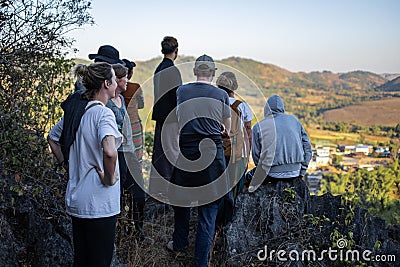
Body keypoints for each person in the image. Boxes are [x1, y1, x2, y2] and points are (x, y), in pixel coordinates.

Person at [48, 62, 122, 266]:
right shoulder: (104, 113)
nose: (117, 83)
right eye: (115, 79)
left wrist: (67, 164)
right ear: (106, 83)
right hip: (100, 204)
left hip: (77, 200)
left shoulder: (77, 112)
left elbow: (53, 138)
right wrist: (109, 178)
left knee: (81, 260)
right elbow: (109, 150)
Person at [167, 55, 231, 267]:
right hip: (212, 156)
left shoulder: (182, 91)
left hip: (186, 151)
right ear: (213, 73)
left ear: (195, 71)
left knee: (182, 203)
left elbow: (179, 118)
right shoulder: (221, 94)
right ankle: (201, 262)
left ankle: (179, 244)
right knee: (208, 209)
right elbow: (227, 130)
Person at [106, 63, 146, 240]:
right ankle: (120, 230)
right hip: (118, 152)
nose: (128, 81)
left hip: (128, 151)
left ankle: (138, 228)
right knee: (119, 192)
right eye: (125, 78)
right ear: (117, 80)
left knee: (139, 193)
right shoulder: (107, 103)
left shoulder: (121, 99)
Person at [247, 94, 312, 186]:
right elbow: (307, 149)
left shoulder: (258, 127)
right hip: (295, 172)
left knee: (246, 179)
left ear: (267, 109)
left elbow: (256, 156)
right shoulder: (294, 120)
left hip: (270, 173)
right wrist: (302, 172)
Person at [215, 71, 253, 226]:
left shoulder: (215, 105)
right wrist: (248, 153)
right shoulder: (241, 106)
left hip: (217, 151)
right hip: (237, 153)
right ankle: (231, 221)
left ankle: (217, 220)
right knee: (235, 187)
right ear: (235, 86)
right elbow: (248, 132)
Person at [149, 36, 182, 196]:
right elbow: (178, 96)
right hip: (171, 117)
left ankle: (159, 188)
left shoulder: (159, 68)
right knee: (172, 153)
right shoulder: (173, 70)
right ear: (176, 51)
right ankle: (170, 189)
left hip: (161, 116)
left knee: (160, 152)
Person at [121, 58, 145, 164]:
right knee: (137, 153)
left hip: (119, 124)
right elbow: (141, 105)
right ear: (130, 73)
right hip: (133, 123)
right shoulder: (136, 87)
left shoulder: (116, 87)